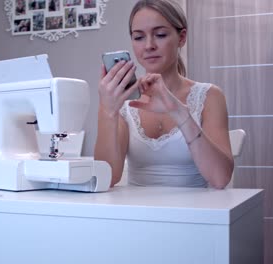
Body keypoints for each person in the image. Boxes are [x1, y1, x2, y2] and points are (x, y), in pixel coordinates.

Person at [94, 0, 234, 189]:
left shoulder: (210, 96)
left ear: (182, 37)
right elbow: (106, 178)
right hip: (136, 213)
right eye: (138, 37)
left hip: (195, 214)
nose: (149, 45)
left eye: (160, 35)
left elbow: (220, 179)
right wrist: (107, 111)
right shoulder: (124, 103)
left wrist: (178, 111)